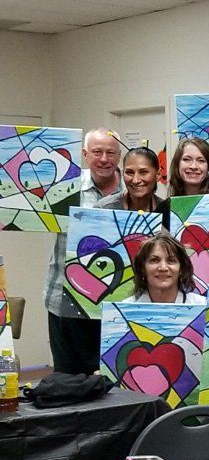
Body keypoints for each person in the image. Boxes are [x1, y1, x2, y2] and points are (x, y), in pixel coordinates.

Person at [44, 129, 123, 374]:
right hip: (65, 301)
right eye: (97, 152)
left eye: (110, 152)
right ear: (85, 154)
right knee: (68, 379)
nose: (104, 159)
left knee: (111, 382)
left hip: (116, 303)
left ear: (119, 155)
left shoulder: (134, 190)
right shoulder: (65, 188)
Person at [124, 234, 205, 304]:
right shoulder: (124, 308)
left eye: (171, 260)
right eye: (154, 260)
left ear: (181, 268)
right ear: (142, 268)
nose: (163, 268)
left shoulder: (203, 306)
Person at [96, 147, 163, 212]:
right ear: (122, 174)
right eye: (129, 172)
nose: (135, 180)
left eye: (143, 172)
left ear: (158, 175)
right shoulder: (103, 209)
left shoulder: (168, 212)